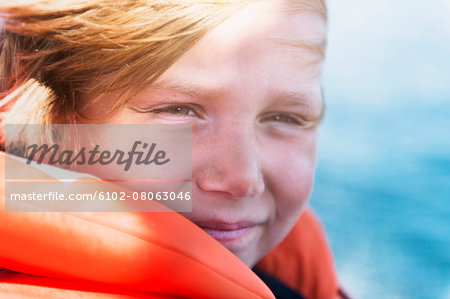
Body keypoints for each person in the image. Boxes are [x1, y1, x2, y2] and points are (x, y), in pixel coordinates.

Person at [0, 0, 350, 298]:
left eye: (284, 117)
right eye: (178, 110)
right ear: (34, 112)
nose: (243, 179)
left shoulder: (299, 277)